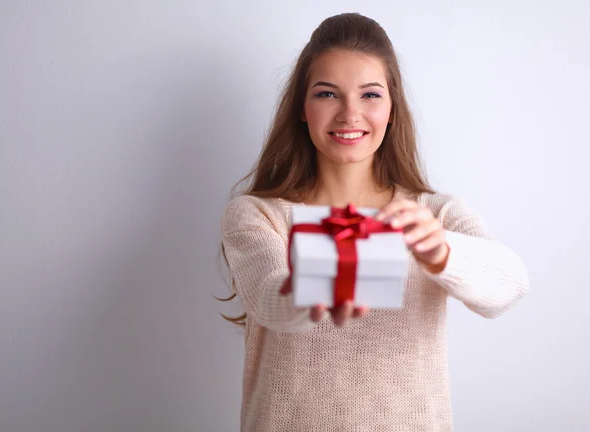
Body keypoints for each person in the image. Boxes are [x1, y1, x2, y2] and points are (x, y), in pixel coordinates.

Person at [218, 12, 529, 432]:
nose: (350, 114)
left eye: (369, 95)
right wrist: (316, 286)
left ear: (392, 109)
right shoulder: (259, 214)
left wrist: (442, 253)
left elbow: (509, 285)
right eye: (328, 94)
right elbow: (269, 298)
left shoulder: (434, 214)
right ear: (302, 109)